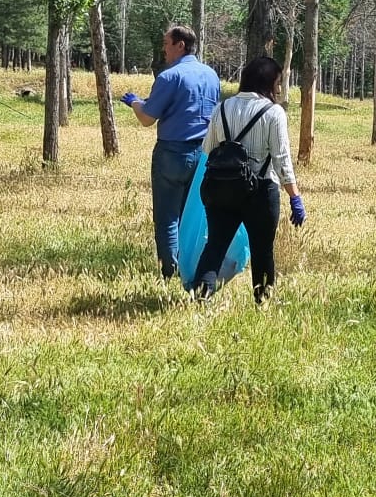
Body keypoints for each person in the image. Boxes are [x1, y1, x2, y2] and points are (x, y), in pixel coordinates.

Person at [192, 55, 304, 305]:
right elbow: (281, 160)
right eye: (277, 81)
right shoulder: (274, 113)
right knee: (262, 251)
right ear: (268, 82)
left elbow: (208, 147)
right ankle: (262, 302)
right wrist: (295, 197)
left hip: (221, 189)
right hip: (261, 192)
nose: (278, 87)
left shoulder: (221, 108)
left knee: (215, 247)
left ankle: (200, 299)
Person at [120, 23, 221, 278]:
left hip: (172, 153)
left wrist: (134, 103)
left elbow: (147, 118)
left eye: (166, 44)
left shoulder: (169, 76)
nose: (163, 49)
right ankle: (195, 270)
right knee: (195, 217)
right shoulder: (211, 75)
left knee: (167, 218)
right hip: (205, 155)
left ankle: (170, 271)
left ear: (180, 45)